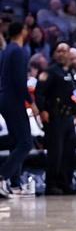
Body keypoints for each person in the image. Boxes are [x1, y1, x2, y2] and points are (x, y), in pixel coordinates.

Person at [35, 42, 76, 195]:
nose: (61, 54)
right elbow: (39, 92)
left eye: (64, 51)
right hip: (55, 117)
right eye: (59, 51)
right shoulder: (50, 72)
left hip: (69, 117)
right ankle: (51, 185)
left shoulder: (72, 72)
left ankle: (66, 183)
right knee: (56, 152)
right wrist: (42, 110)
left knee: (69, 152)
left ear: (69, 53)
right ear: (55, 54)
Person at [0, 22, 38, 198]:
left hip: (4, 98)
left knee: (16, 142)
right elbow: (19, 82)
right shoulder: (19, 51)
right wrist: (31, 102)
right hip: (13, 100)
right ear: (23, 31)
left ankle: (15, 184)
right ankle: (3, 176)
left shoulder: (6, 50)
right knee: (26, 143)